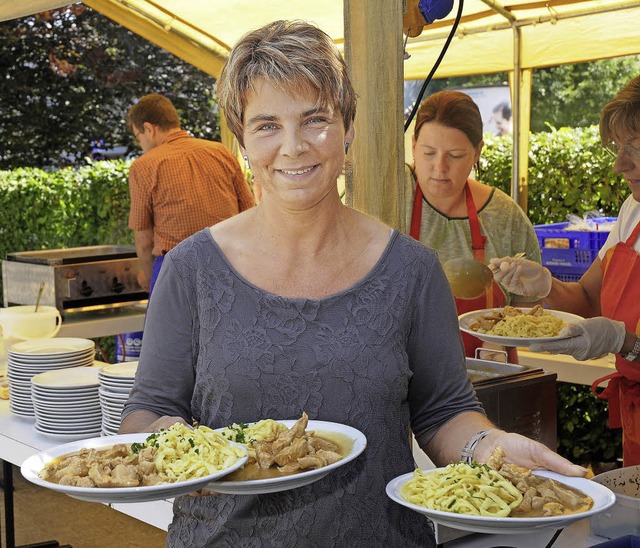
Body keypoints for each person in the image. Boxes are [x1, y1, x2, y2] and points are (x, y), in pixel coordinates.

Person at [120, 20, 585, 547]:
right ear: (242, 138)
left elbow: (443, 411)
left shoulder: (410, 270)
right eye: (267, 125)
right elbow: (147, 409)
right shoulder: (191, 270)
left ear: (348, 129)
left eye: (315, 119)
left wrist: (493, 446)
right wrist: (169, 446)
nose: (293, 147)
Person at [491, 75, 640, 466]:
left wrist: (625, 342)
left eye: (635, 148)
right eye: (618, 148)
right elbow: (588, 298)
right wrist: (546, 285)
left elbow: (620, 336)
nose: (619, 165)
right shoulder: (632, 212)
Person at [404, 90, 542, 360]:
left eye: (455, 155)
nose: (439, 167)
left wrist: (502, 336)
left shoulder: (505, 217)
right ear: (413, 145)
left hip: (486, 374)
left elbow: (530, 310)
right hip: (404, 382)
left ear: (477, 151)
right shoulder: (391, 196)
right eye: (428, 153)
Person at [126, 93, 255, 293]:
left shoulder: (144, 167)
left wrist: (146, 274)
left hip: (176, 269)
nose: (140, 144)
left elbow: (144, 241)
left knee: (170, 325)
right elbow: (250, 213)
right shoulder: (221, 152)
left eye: (138, 136)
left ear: (149, 129)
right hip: (229, 264)